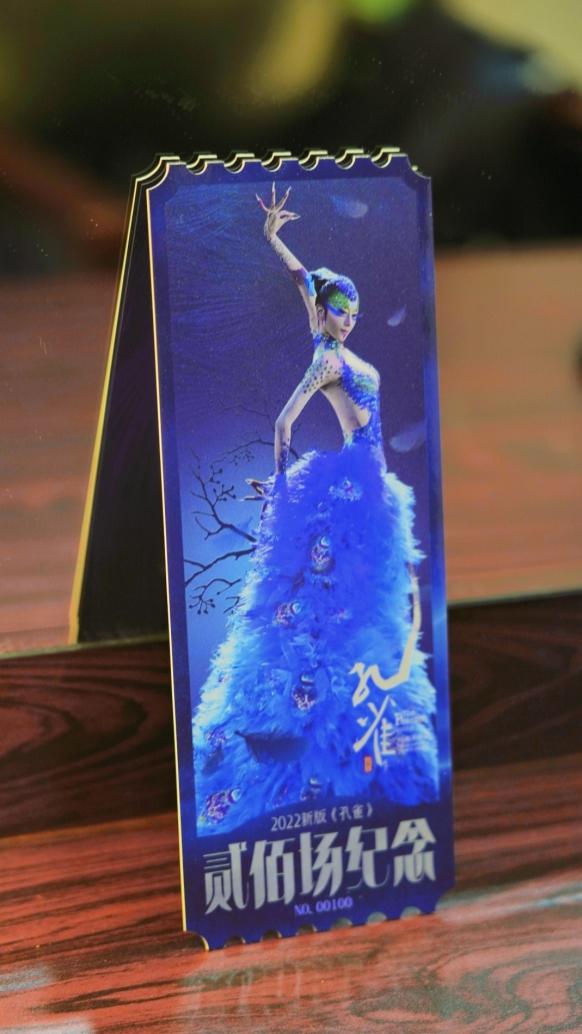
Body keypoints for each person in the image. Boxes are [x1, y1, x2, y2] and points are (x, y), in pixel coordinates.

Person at [192, 184, 439, 832]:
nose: (347, 320)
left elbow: (306, 281)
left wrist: (275, 237)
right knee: (344, 606)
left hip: (368, 480)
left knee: (366, 608)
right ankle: (316, 754)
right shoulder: (327, 358)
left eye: (353, 312)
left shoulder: (327, 340)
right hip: (357, 484)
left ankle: (359, 750)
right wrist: (280, 489)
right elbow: (284, 422)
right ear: (326, 316)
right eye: (339, 311)